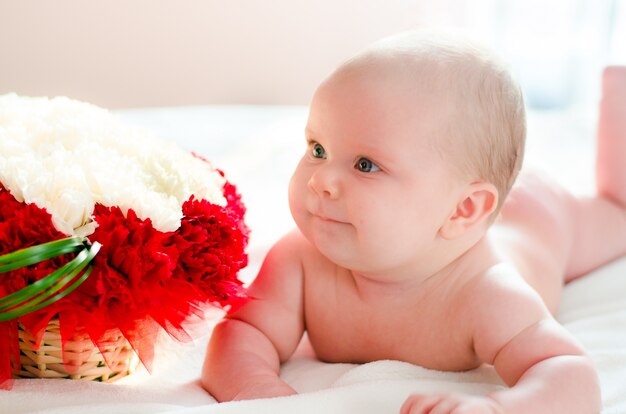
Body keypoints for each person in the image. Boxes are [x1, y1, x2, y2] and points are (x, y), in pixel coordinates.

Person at [202, 31, 626, 413]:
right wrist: (256, 388)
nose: (321, 179)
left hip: (540, 218)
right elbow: (241, 332)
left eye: (366, 165)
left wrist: (499, 409)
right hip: (472, 196)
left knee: (617, 213)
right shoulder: (300, 259)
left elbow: (570, 373)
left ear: (462, 210)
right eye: (318, 148)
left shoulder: (485, 292)